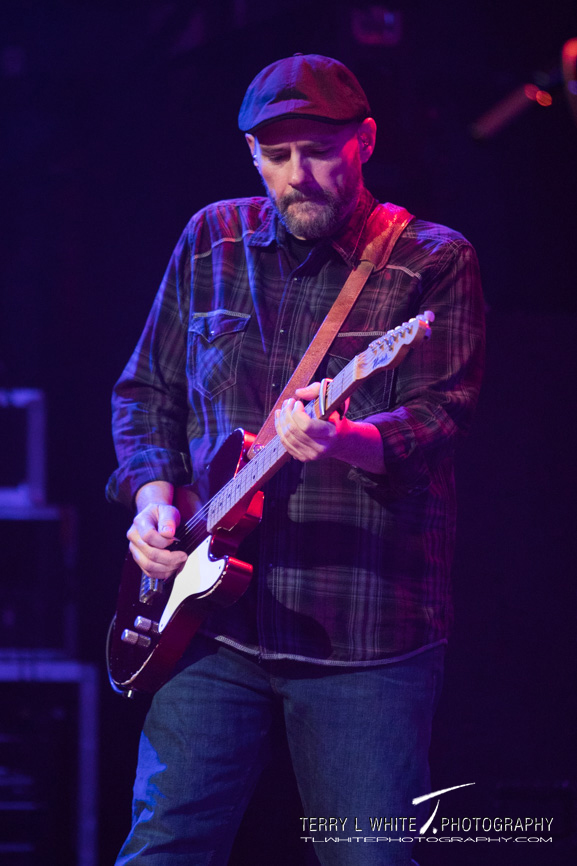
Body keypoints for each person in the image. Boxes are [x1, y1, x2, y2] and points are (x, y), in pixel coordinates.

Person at [107, 53, 485, 866]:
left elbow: (441, 416)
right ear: (251, 154)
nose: (297, 175)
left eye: (317, 150)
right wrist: (151, 498)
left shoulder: (431, 259)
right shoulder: (211, 237)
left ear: (365, 140)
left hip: (364, 634)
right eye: (275, 156)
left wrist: (343, 439)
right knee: (162, 850)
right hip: (206, 624)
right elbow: (146, 393)